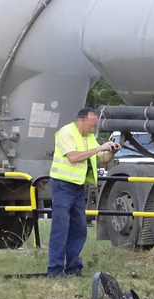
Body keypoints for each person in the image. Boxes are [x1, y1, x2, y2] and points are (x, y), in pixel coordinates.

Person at [47, 107, 120, 277]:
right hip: (62, 185)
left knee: (79, 228)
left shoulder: (88, 137)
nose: (93, 129)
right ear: (81, 120)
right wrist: (99, 148)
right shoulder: (66, 132)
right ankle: (55, 270)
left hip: (78, 187)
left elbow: (101, 159)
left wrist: (110, 152)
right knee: (61, 228)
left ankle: (73, 268)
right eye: (91, 125)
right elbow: (73, 157)